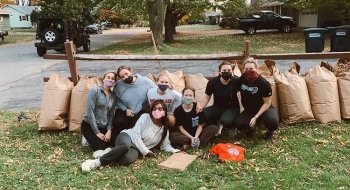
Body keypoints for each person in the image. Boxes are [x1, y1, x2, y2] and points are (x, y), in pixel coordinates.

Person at [81, 100, 180, 171]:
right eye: (154, 108)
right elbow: (136, 135)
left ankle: (109, 152)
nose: (157, 111)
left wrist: (175, 151)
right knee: (125, 146)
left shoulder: (164, 128)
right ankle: (96, 162)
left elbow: (165, 145)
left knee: (126, 160)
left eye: (160, 109)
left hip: (137, 148)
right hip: (127, 137)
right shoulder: (145, 117)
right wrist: (146, 151)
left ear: (164, 112)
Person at [234, 57, 279, 140]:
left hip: (265, 108)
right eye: (246, 69)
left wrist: (256, 117)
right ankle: (252, 128)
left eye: (251, 68)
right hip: (249, 109)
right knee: (239, 123)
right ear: (243, 69)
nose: (248, 70)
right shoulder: (242, 78)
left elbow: (267, 103)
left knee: (272, 122)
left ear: (256, 69)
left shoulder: (263, 83)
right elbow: (234, 86)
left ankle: (269, 131)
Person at [112, 65, 156, 135]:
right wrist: (125, 109)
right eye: (122, 77)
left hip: (140, 111)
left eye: (126, 74)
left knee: (137, 125)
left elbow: (156, 90)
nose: (125, 77)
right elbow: (116, 99)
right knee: (118, 122)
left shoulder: (145, 81)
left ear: (131, 71)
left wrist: (168, 87)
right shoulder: (118, 86)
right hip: (124, 110)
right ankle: (116, 139)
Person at [81, 71, 118, 154]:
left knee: (112, 142)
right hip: (89, 125)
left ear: (114, 82)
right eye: (108, 77)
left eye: (113, 79)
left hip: (104, 126)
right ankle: (87, 137)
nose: (110, 80)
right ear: (103, 79)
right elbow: (90, 112)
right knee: (101, 147)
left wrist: (109, 130)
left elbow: (111, 114)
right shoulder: (94, 91)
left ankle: (93, 138)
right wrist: (97, 132)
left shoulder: (113, 96)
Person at [202, 61, 240, 135]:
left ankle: (232, 126)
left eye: (229, 70)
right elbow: (207, 97)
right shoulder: (212, 82)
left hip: (232, 108)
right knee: (203, 114)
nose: (227, 72)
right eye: (224, 70)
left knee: (226, 120)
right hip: (217, 106)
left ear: (232, 71)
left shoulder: (236, 81)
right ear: (219, 72)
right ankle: (215, 125)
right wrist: (201, 107)